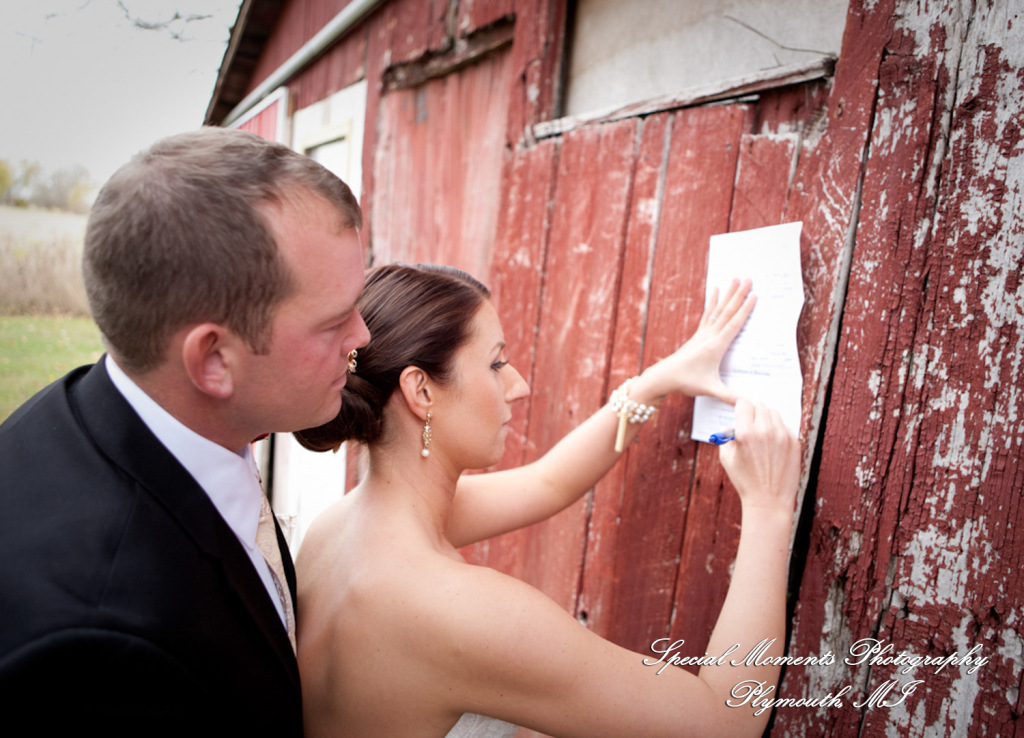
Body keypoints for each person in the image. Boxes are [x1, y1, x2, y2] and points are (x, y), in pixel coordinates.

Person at [294, 263, 801, 737]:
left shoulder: (334, 532)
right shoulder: (462, 611)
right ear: (421, 392)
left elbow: (548, 483)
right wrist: (769, 511)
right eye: (496, 364)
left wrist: (657, 382)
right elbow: (721, 721)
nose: (519, 386)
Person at [0, 127, 370, 735]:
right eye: (334, 322)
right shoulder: (100, 651)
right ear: (213, 360)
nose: (363, 337)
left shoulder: (124, 408)